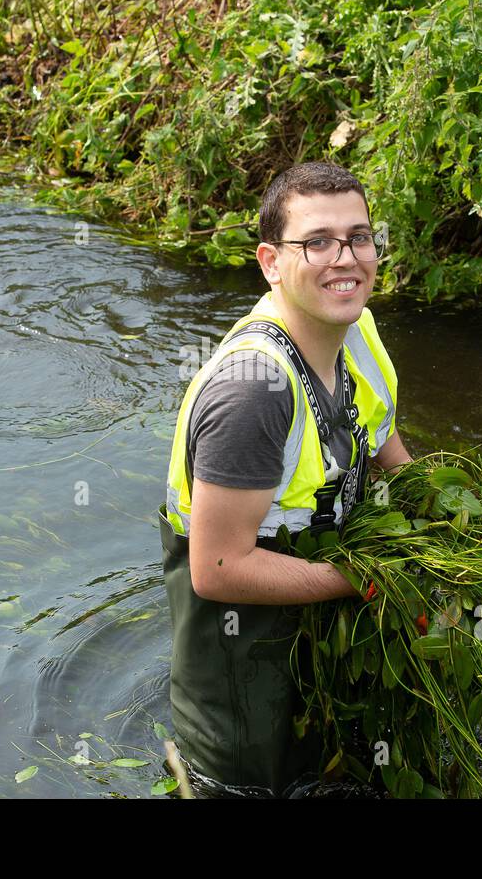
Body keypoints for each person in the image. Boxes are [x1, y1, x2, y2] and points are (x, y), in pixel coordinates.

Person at [158, 161, 413, 797]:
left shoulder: (355, 330)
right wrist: (365, 583)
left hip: (320, 640)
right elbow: (214, 567)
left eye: (359, 237)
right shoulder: (253, 392)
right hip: (242, 684)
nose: (345, 259)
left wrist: (445, 542)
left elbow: (386, 448)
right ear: (272, 262)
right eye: (318, 242)